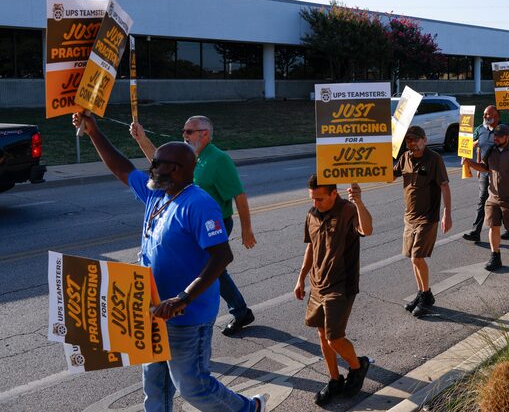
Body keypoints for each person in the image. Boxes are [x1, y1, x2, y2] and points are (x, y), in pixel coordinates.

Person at [71, 113, 266, 412]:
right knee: (155, 385)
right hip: (152, 310)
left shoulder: (199, 204)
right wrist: (94, 132)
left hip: (188, 316)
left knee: (193, 387)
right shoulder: (156, 195)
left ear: (175, 170)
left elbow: (222, 256)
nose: (150, 168)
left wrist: (183, 297)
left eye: (157, 164)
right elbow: (122, 168)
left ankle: (248, 409)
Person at [131, 117, 257, 337]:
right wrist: (142, 139)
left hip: (213, 223)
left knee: (211, 268)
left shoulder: (219, 160)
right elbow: (160, 161)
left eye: (189, 131)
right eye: (184, 131)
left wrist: (247, 229)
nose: (184, 135)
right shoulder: (189, 156)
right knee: (211, 270)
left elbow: (239, 194)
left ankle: (234, 311)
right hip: (189, 224)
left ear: (205, 134)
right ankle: (239, 310)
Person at [295, 176, 373, 405]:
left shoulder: (348, 209)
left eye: (320, 198)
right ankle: (334, 379)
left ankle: (358, 367)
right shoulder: (312, 214)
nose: (316, 203)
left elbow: (367, 229)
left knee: (334, 338)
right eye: (313, 199)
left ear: (333, 193)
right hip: (317, 283)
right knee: (321, 333)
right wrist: (301, 278)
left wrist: (358, 201)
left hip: (341, 284)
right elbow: (311, 246)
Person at [392, 126, 452, 318]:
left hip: (427, 217)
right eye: (409, 140)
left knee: (417, 257)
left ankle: (426, 296)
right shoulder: (405, 157)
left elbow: (444, 186)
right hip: (409, 217)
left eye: (416, 140)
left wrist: (447, 213)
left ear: (424, 140)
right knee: (412, 258)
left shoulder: (434, 159)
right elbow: (389, 177)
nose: (412, 144)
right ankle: (422, 293)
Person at [463, 124, 509, 271]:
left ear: (507, 137)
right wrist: (469, 163)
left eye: (499, 136)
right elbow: (484, 168)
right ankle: (495, 257)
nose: (495, 138)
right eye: (494, 136)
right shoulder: (491, 150)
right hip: (493, 197)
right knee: (493, 226)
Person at [462, 106, 509, 243]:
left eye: (488, 115)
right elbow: (479, 146)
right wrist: (477, 163)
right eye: (484, 114)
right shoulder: (480, 129)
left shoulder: (505, 129)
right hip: (487, 172)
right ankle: (475, 232)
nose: (485, 117)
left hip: (505, 174)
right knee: (482, 200)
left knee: (505, 202)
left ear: (497, 116)